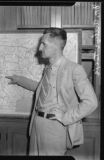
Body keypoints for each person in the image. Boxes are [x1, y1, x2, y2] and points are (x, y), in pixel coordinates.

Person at [6, 27, 98, 155]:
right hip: (37, 124)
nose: (39, 48)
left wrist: (65, 117)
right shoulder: (47, 68)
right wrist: (20, 80)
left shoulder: (74, 69)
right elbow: (43, 89)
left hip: (55, 128)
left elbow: (91, 102)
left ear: (56, 46)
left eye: (44, 44)